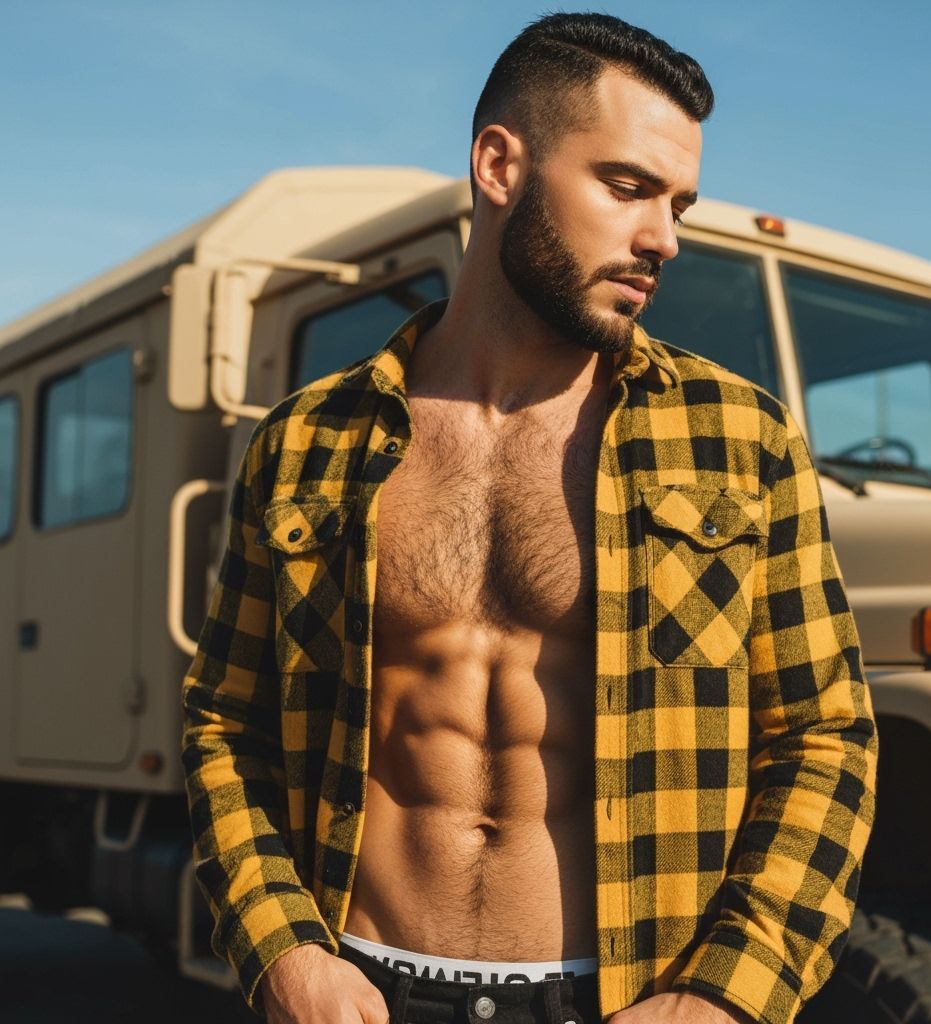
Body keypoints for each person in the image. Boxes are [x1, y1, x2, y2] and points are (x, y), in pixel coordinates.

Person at [180, 13, 877, 1024]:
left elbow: (824, 737)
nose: (664, 237)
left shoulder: (738, 438)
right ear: (500, 164)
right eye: (627, 186)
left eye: (677, 202)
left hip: (625, 999)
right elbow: (222, 723)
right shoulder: (307, 441)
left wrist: (720, 1000)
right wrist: (283, 950)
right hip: (363, 986)